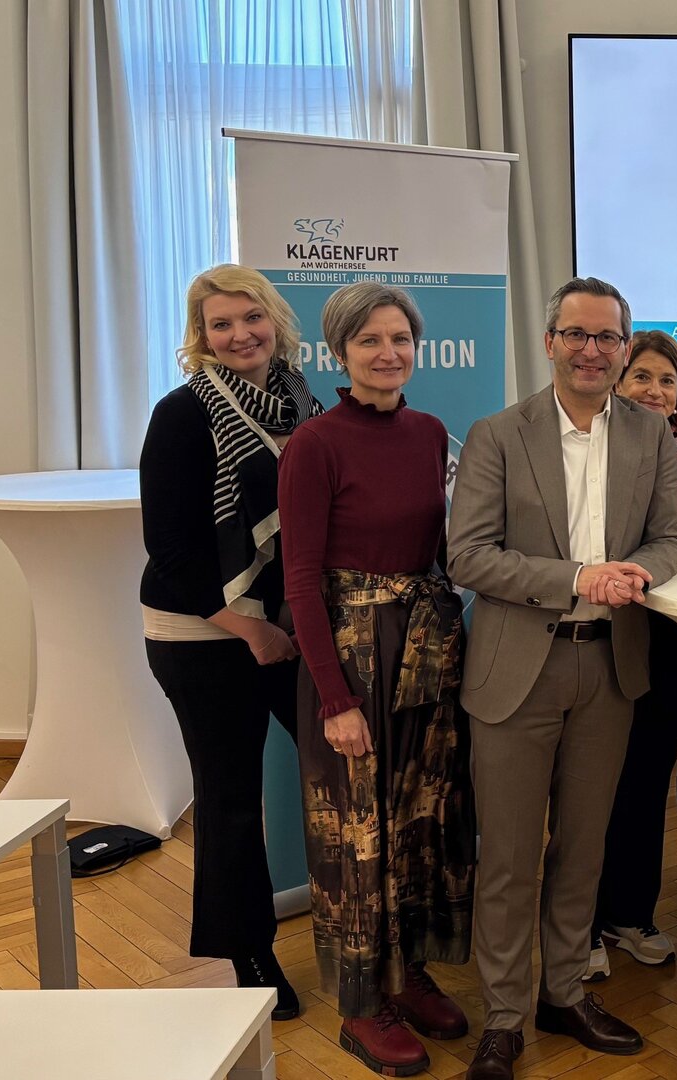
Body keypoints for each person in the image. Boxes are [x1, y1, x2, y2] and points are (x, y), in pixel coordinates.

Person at [446, 277, 677, 1080]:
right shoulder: (496, 434)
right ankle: (506, 1015)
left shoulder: (651, 435)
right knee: (511, 856)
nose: (592, 350)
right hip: (518, 666)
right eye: (577, 335)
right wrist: (581, 577)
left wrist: (635, 577)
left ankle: (563, 991)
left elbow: (668, 541)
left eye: (608, 338)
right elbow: (469, 555)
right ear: (549, 340)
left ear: (625, 349)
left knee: (582, 849)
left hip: (609, 667)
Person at [278, 282, 476, 1078]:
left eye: (400, 338)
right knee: (357, 836)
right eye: (369, 341)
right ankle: (363, 1003)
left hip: (426, 646)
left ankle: (411, 969)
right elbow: (298, 582)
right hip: (351, 657)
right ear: (339, 353)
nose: (388, 353)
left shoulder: (431, 433)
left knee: (421, 821)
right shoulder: (315, 445)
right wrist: (334, 701)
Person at [140, 264, 318, 1021]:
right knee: (231, 795)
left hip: (286, 625)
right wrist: (249, 629)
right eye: (220, 324)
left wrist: (286, 627)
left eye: (251, 317)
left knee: (341, 764)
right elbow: (171, 551)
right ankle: (249, 951)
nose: (239, 334)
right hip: (201, 633)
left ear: (274, 319)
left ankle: (363, 926)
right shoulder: (183, 414)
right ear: (201, 337)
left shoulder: (303, 402)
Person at [589, 330, 677, 979]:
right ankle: (581, 926)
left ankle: (630, 914)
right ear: (617, 381)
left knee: (644, 785)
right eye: (642, 376)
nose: (655, 390)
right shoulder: (594, 448)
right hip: (604, 638)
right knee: (591, 788)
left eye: (668, 381)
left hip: (667, 647)